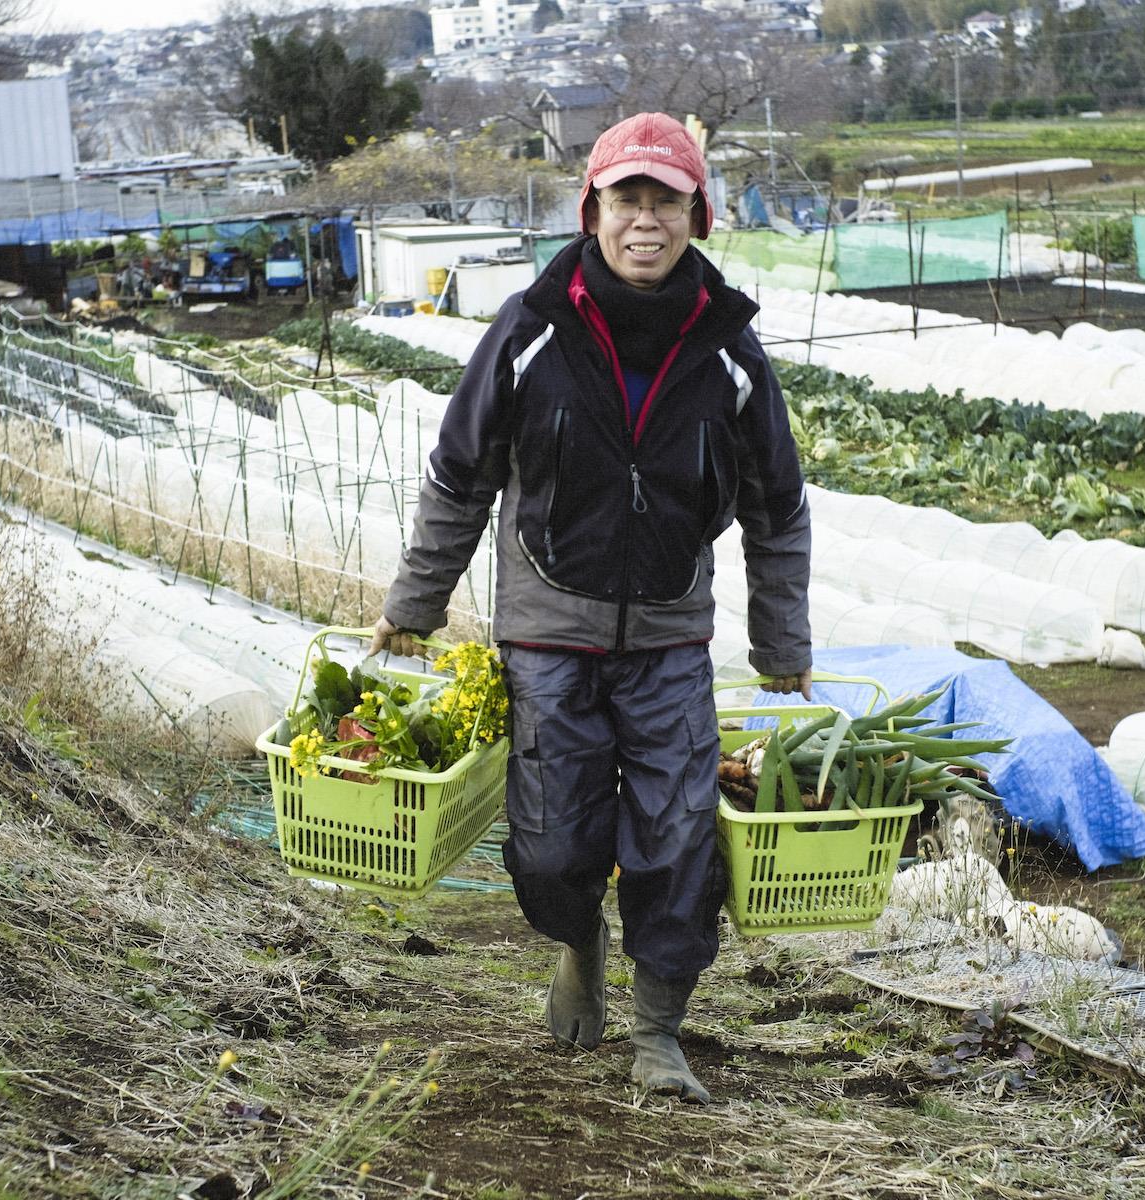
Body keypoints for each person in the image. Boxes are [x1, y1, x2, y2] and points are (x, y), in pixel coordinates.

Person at [371, 111, 812, 1104]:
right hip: (548, 631)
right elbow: (459, 474)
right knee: (552, 843)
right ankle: (575, 941)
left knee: (675, 836)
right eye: (628, 200)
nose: (645, 221)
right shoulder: (532, 329)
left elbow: (777, 507)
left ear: (698, 213)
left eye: (667, 200)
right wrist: (415, 602)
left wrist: (782, 640)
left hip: (666, 637)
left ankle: (660, 1031)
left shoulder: (730, 351)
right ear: (594, 211)